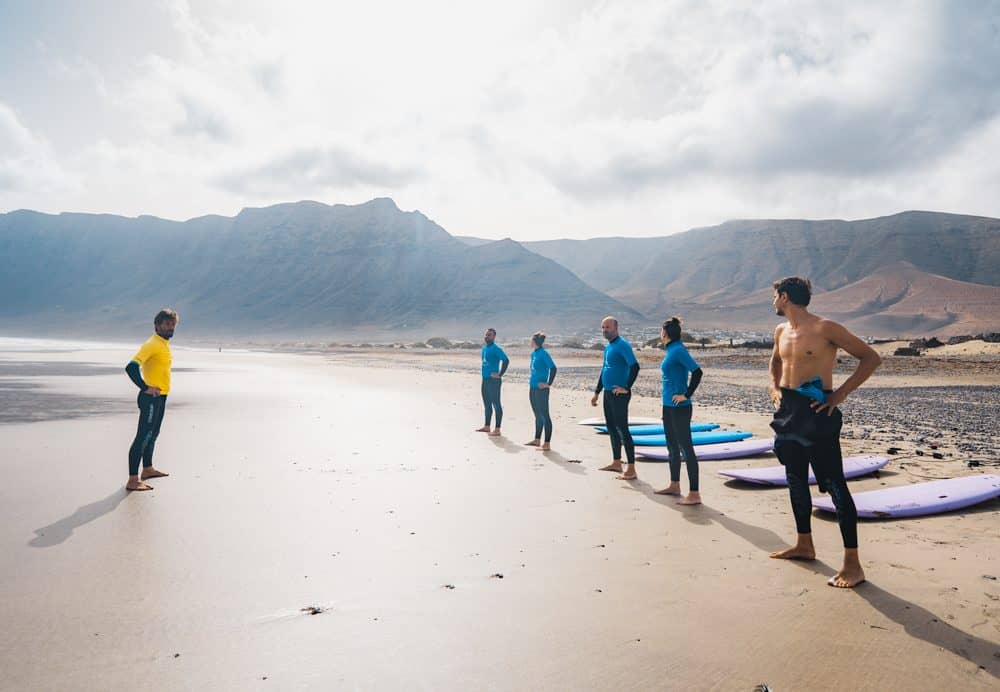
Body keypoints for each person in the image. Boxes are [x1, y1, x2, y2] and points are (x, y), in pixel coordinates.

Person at [767, 277, 881, 588]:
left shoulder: (825, 328)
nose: (773, 301)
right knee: (794, 479)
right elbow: (775, 362)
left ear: (785, 297)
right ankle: (804, 544)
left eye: (775, 296)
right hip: (788, 411)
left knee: (834, 484)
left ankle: (853, 564)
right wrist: (774, 389)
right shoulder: (780, 331)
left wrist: (841, 393)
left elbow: (871, 357)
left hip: (818, 411)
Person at [124, 309, 179, 491]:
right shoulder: (152, 344)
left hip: (161, 397)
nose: (170, 328)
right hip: (150, 398)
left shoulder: (163, 344)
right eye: (167, 324)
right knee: (143, 436)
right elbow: (131, 367)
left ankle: (147, 469)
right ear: (157, 325)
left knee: (154, 434)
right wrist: (145, 387)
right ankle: (133, 479)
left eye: (173, 325)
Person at [653, 317, 704, 505]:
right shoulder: (671, 350)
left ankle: (695, 493)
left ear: (665, 332)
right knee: (672, 446)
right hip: (668, 406)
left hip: (680, 408)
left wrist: (687, 394)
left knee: (686, 448)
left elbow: (697, 372)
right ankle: (674, 485)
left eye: (661, 330)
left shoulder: (679, 350)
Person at [590, 316, 640, 480]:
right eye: (603, 327)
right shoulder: (608, 347)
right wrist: (597, 392)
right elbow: (604, 370)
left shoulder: (622, 345)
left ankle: (631, 468)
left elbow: (635, 366)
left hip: (620, 394)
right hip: (608, 393)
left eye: (607, 327)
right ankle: (617, 462)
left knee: (622, 429)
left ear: (616, 328)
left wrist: (626, 387)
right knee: (611, 427)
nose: (604, 330)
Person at [524, 332, 557, 451]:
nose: (529, 342)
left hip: (541, 390)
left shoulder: (544, 353)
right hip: (532, 388)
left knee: (544, 415)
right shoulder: (534, 354)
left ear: (535, 341)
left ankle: (547, 443)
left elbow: (553, 368)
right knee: (537, 414)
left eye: (531, 340)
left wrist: (548, 384)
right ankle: (537, 440)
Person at [476, 328, 509, 437]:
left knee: (496, 403)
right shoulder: (484, 349)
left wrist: (500, 374)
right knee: (487, 403)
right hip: (485, 380)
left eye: (489, 335)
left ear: (494, 337)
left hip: (494, 381)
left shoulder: (496, 349)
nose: (487, 336)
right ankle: (487, 426)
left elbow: (506, 360)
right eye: (486, 335)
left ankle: (497, 429)